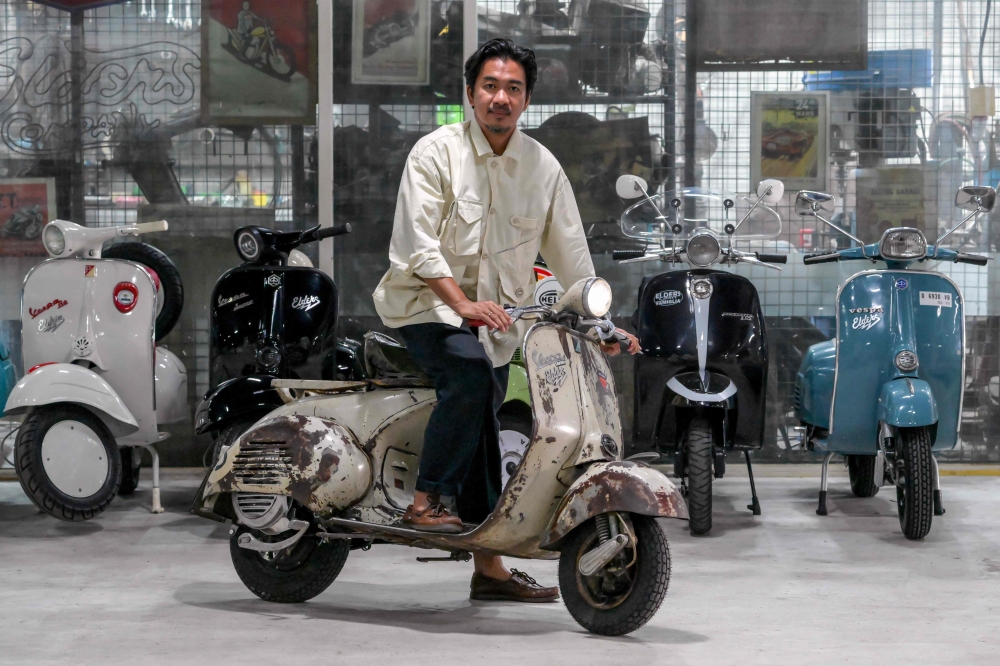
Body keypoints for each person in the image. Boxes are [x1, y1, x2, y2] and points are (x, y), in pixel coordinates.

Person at [372, 38, 639, 603]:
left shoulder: (541, 167)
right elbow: (417, 247)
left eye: (513, 89)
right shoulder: (435, 153)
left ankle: (488, 568)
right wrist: (461, 303)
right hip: (424, 305)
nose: (500, 98)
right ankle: (427, 502)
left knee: (486, 422)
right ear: (470, 94)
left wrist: (602, 325)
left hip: (498, 321)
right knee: (469, 380)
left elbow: (572, 258)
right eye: (490, 86)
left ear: (527, 99)